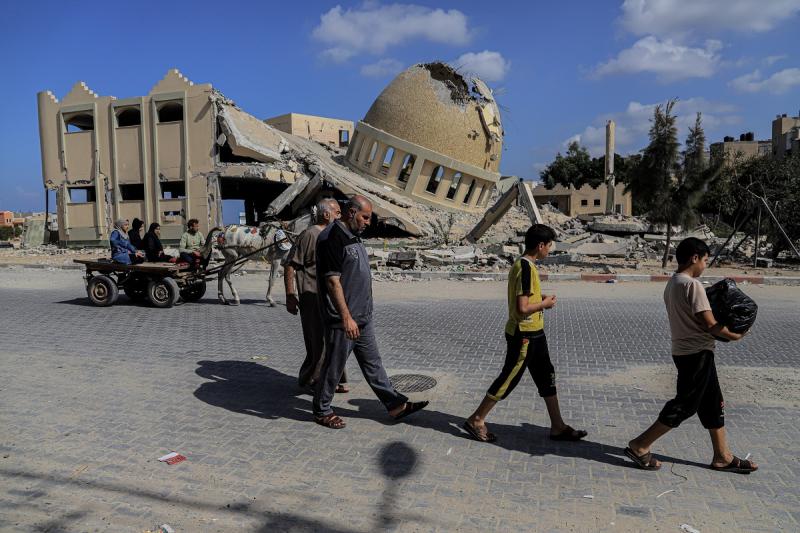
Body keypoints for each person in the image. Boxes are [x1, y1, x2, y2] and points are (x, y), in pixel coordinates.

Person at [624, 237, 757, 473]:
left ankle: (722, 456)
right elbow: (710, 325)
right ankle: (640, 445)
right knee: (684, 405)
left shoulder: (673, 282)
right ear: (694, 258)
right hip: (696, 353)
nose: (706, 265)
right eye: (705, 260)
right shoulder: (692, 285)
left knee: (713, 403)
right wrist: (736, 336)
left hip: (687, 351)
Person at [463, 224, 586, 443]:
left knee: (546, 376)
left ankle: (557, 426)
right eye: (549, 246)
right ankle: (477, 419)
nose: (550, 249)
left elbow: (527, 300)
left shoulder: (523, 265)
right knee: (509, 377)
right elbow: (522, 308)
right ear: (540, 246)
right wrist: (545, 304)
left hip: (536, 334)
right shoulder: (527, 267)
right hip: (524, 335)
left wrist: (539, 300)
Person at [312, 194, 428, 429]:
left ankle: (395, 405)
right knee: (333, 367)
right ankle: (321, 410)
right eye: (365, 217)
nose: (368, 222)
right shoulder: (331, 237)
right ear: (351, 212)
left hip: (362, 317)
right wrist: (346, 318)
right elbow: (333, 282)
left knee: (374, 364)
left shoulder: (354, 236)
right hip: (344, 320)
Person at [284, 198, 348, 392]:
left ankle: (331, 380)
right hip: (312, 296)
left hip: (332, 298)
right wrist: (290, 295)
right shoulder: (310, 235)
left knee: (334, 340)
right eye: (337, 212)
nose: (340, 215)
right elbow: (290, 264)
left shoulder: (335, 235)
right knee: (317, 342)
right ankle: (312, 379)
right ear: (326, 214)